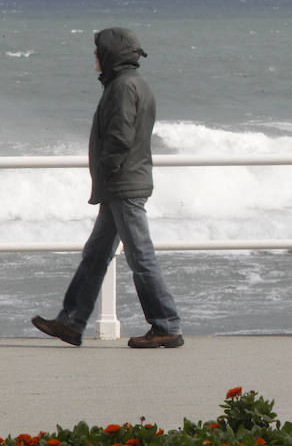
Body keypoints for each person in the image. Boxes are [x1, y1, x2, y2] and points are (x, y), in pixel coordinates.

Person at [32, 27, 184, 348]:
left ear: (111, 54)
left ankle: (166, 324)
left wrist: (107, 170)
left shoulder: (122, 87)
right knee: (96, 254)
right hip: (122, 183)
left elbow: (119, 138)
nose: (94, 56)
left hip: (124, 185)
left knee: (140, 256)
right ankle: (71, 322)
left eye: (98, 51)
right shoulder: (132, 84)